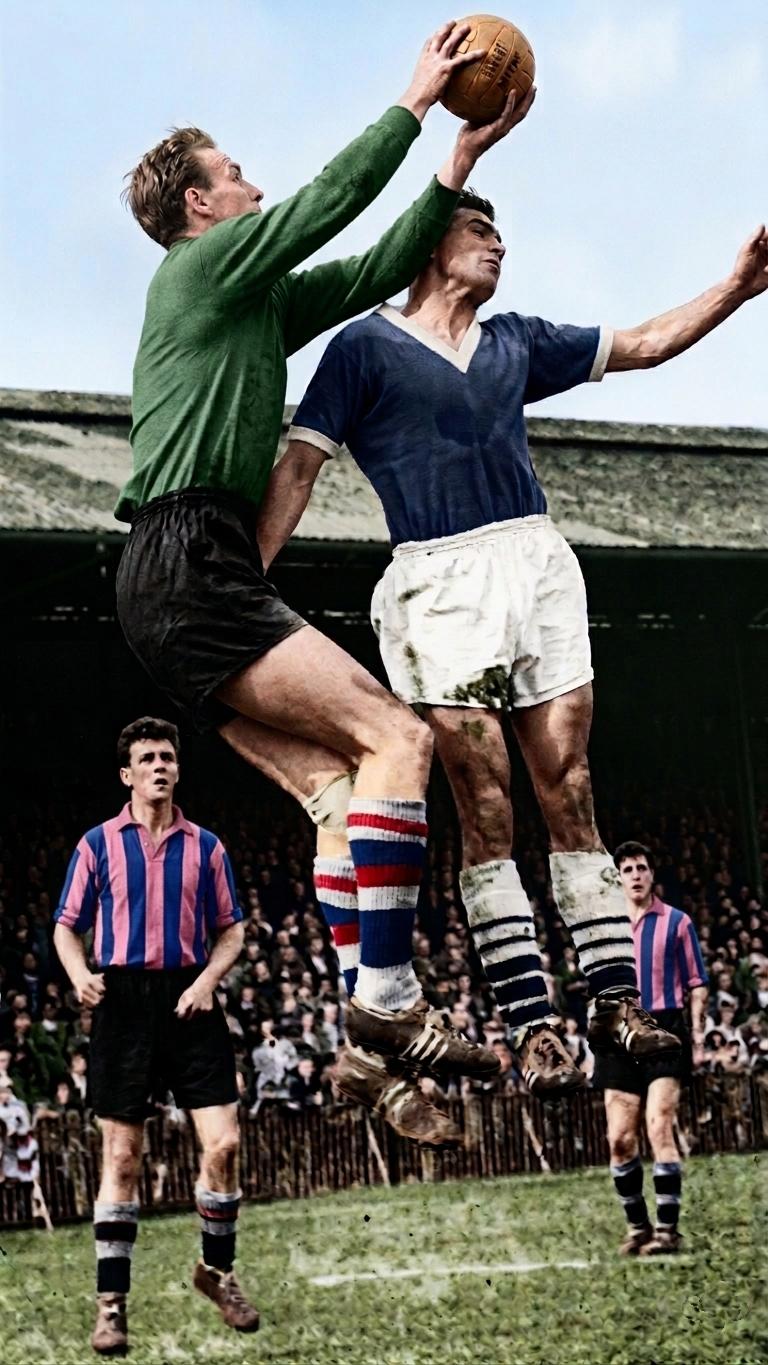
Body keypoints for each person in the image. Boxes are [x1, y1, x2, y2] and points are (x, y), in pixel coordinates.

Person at [115, 25, 536, 1144]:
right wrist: (415, 101)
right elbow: (327, 207)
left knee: (339, 795)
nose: (251, 184)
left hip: (170, 577)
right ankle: (389, 1001)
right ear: (200, 205)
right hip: (191, 558)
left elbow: (369, 270)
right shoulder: (200, 267)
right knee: (398, 738)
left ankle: (366, 1057)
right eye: (235, 172)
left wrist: (457, 164)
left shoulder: (246, 301)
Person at [264, 194, 766, 1090]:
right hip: (437, 581)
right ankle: (534, 1028)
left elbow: (644, 343)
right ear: (429, 244)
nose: (499, 244)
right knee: (486, 803)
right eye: (479, 230)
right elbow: (299, 467)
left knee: (569, 784)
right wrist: (246, 586)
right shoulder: (363, 347)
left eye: (499, 232)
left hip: (535, 562)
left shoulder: (517, 340)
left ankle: (614, 1003)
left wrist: (737, 285)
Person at [52, 717, 258, 1354]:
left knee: (224, 1144)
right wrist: (81, 975)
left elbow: (232, 930)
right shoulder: (97, 845)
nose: (159, 767)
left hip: (191, 1001)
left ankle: (217, 1272)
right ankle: (111, 1306)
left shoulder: (207, 847)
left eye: (167, 757)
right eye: (147, 759)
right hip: (124, 1005)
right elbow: (65, 926)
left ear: (178, 769)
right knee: (121, 1158)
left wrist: (208, 981)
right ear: (127, 774)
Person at [595, 842, 709, 1257]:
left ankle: (668, 1231)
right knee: (619, 1139)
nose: (636, 875)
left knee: (659, 1126)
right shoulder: (606, 927)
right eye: (627, 869)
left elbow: (697, 983)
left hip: (664, 1030)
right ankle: (638, 1228)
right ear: (618, 878)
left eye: (641, 867)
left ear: (652, 874)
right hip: (619, 1032)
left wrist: (697, 1036)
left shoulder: (677, 922)